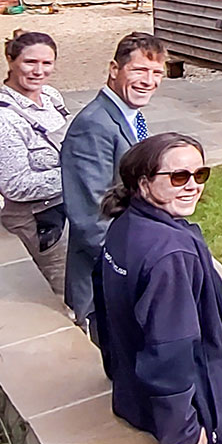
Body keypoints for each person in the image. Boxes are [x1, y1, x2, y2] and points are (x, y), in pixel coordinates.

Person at [94, 132, 222, 444]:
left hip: (134, 396)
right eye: (179, 177)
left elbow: (104, 312)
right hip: (206, 407)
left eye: (200, 175)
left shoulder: (125, 225)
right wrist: (186, 430)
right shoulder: (170, 255)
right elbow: (169, 350)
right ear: (143, 183)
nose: (192, 186)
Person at [60, 31, 167, 326]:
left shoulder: (131, 116)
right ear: (114, 69)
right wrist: (139, 266)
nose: (149, 81)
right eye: (139, 70)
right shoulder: (93, 126)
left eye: (157, 73)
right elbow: (90, 218)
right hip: (107, 281)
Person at [0, 30, 69, 295]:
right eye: (30, 62)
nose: (39, 71)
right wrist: (77, 175)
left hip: (70, 207)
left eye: (47, 63)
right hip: (40, 223)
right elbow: (15, 186)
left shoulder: (51, 97)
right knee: (63, 293)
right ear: (11, 61)